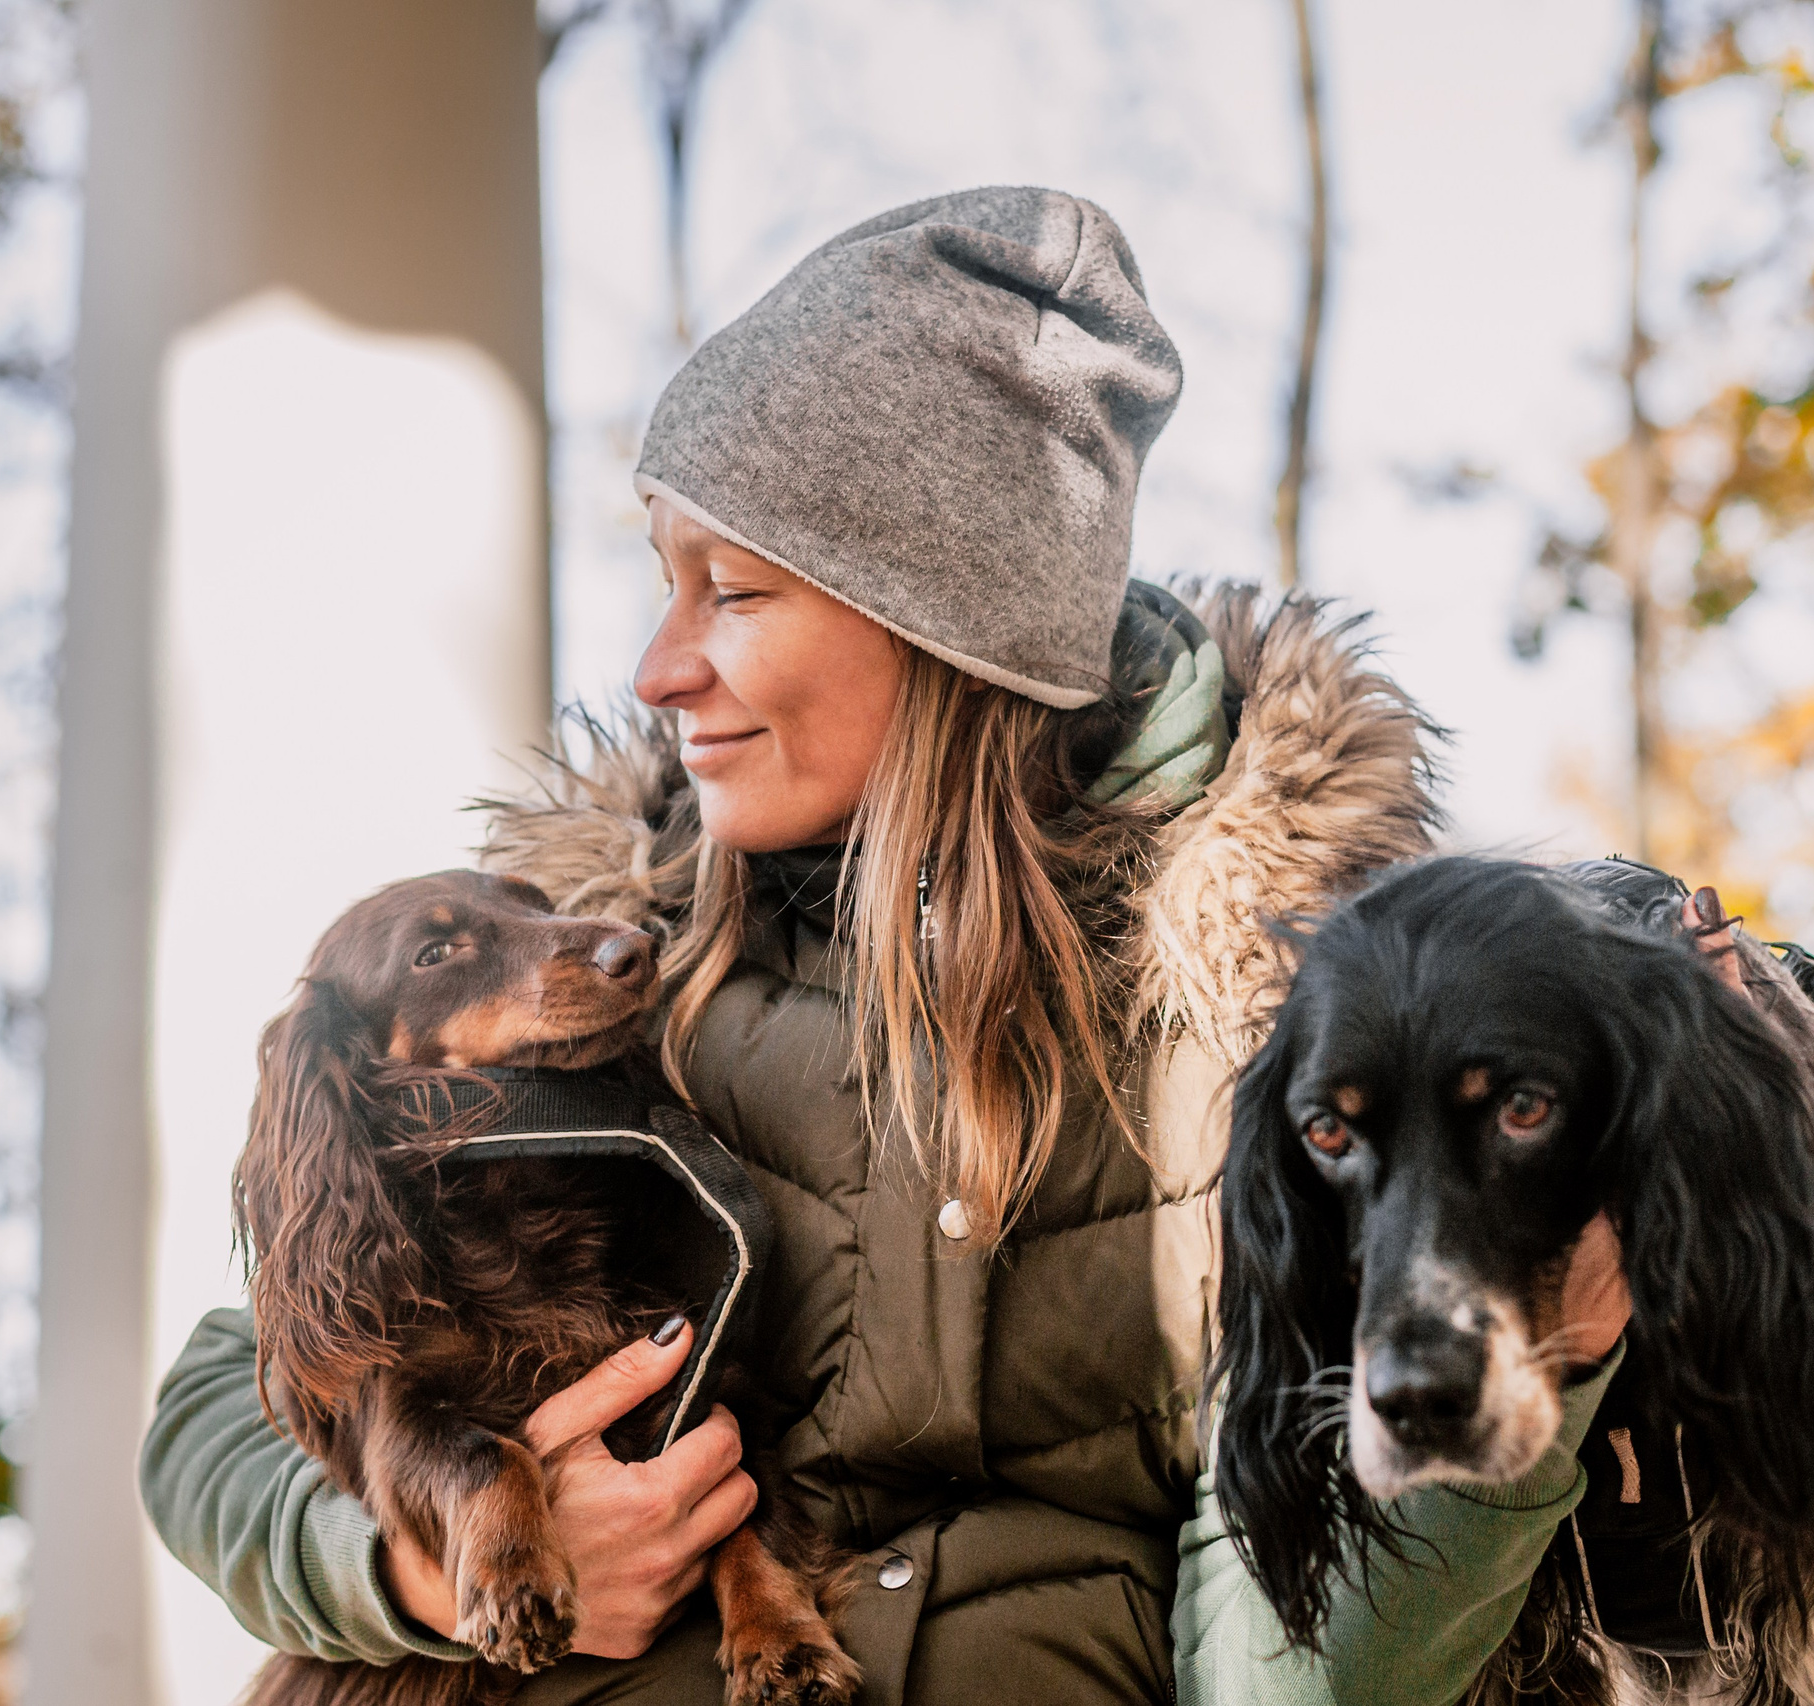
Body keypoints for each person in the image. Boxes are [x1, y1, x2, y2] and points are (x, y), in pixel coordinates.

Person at [141, 186, 1640, 1704]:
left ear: (942, 627)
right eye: (665, 586)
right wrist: (412, 1570)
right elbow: (226, 1404)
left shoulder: (1286, 1018)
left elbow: (1297, 1663)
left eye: (732, 591)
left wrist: (1550, 1362)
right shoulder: (614, 955)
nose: (660, 668)